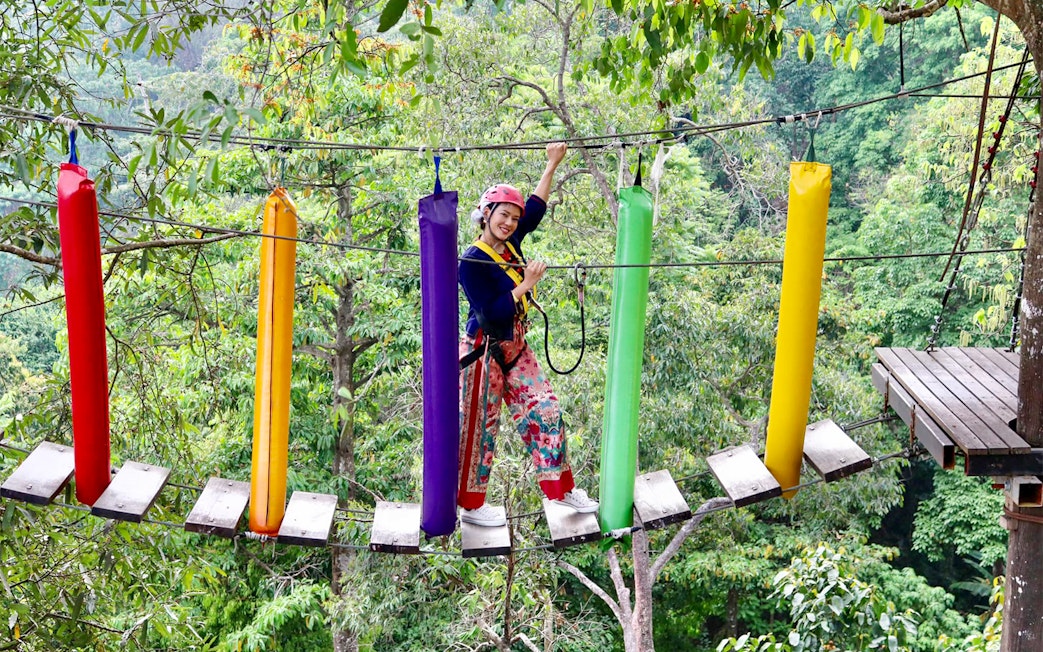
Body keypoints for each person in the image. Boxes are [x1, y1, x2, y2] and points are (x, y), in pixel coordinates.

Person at [457, 142, 598, 527]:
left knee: (546, 408)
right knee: (480, 427)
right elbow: (488, 312)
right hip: (483, 350)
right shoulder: (472, 261)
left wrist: (551, 165)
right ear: (486, 215)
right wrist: (527, 284)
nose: (510, 224)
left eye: (513, 220)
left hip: (516, 345)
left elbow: (534, 209)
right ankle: (471, 506)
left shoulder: (511, 243)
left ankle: (562, 490)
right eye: (503, 216)